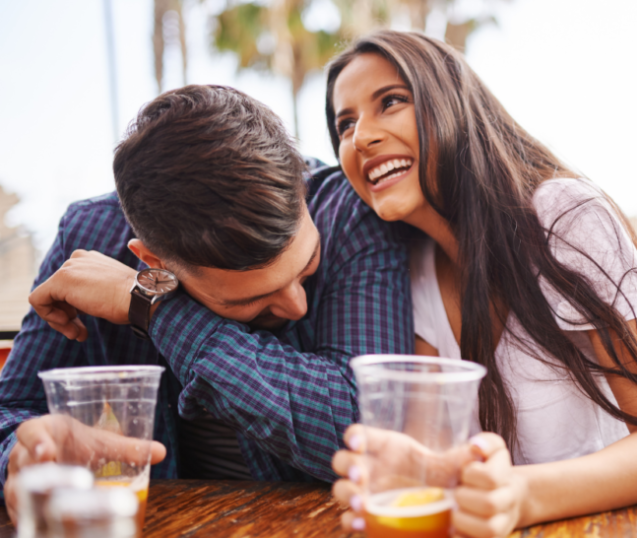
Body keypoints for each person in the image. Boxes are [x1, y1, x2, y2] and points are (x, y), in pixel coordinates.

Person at [325, 31, 637, 537]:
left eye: (390, 102)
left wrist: (520, 495)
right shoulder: (411, 271)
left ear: (451, 106)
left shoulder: (562, 216)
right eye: (344, 124)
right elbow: (463, 464)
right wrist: (426, 472)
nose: (360, 137)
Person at [0, 85, 413, 522]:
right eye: (255, 299)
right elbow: (9, 410)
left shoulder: (351, 214)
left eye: (307, 265)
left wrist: (151, 306)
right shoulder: (89, 238)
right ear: (153, 261)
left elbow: (369, 430)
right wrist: (21, 455)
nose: (297, 307)